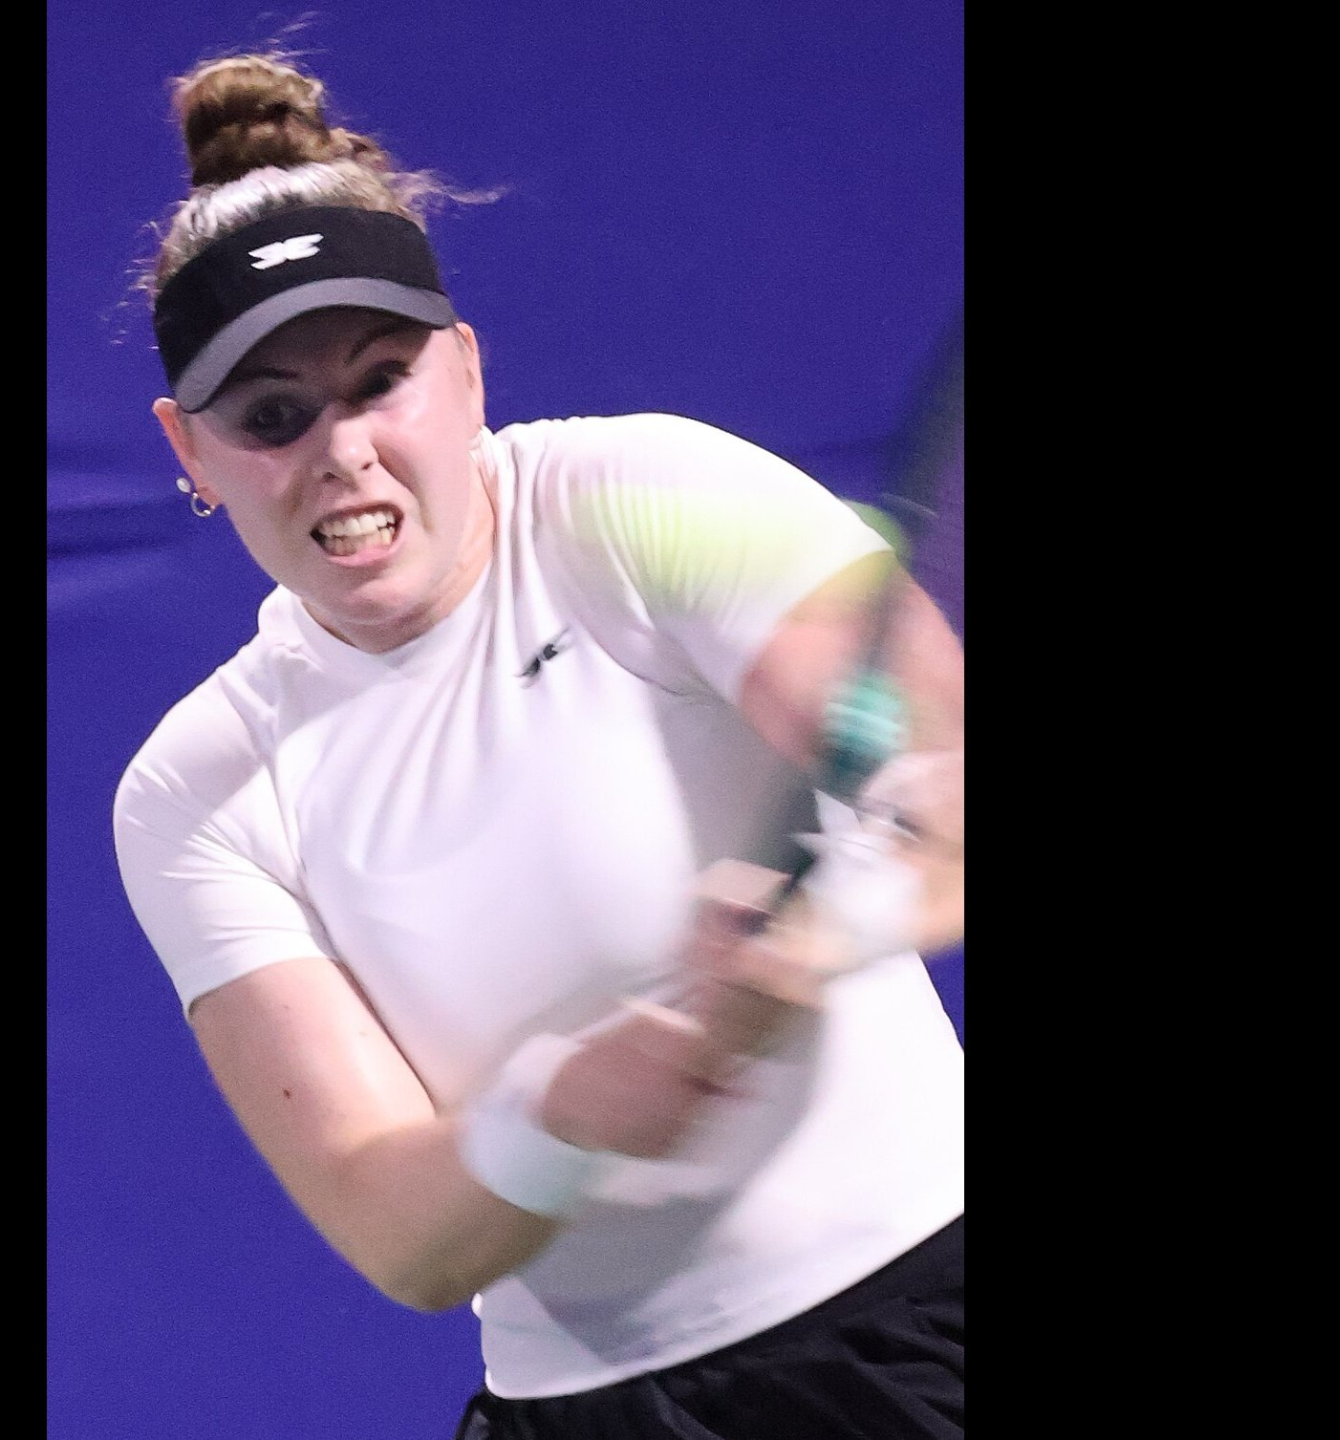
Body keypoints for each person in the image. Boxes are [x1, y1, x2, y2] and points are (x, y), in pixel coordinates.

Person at [110, 51, 966, 1439]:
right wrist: (560, 1112)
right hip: (575, 1414)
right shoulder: (193, 791)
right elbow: (402, 1235)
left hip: (922, 1328)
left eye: (380, 380)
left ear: (465, 368)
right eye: (271, 416)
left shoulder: (646, 499)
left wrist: (818, 939)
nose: (342, 452)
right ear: (189, 452)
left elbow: (949, 794)